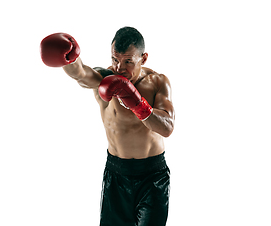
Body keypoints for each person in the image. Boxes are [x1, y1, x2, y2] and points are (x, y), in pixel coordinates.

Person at [40, 27, 175, 226]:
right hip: (116, 174)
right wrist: (69, 58)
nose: (119, 68)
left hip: (152, 176)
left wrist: (137, 104)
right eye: (115, 59)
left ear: (143, 58)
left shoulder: (157, 82)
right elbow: (81, 73)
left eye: (128, 61)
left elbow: (167, 127)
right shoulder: (105, 79)